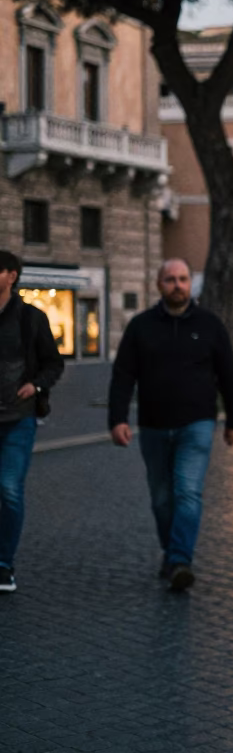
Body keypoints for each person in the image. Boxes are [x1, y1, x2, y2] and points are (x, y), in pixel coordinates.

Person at [109, 258, 233, 591]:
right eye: (170, 279)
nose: (177, 285)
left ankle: (181, 560)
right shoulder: (140, 326)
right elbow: (123, 375)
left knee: (187, 492)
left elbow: (228, 374)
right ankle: (171, 554)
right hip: (153, 425)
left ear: (191, 282)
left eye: (183, 279)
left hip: (196, 423)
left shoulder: (210, 325)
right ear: (158, 285)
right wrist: (117, 418)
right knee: (160, 499)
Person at [0, 251, 64, 594]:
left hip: (17, 419)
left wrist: (35, 385)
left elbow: (54, 364)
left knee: (8, 489)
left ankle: (4, 564)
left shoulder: (30, 319)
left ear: (12, 276)